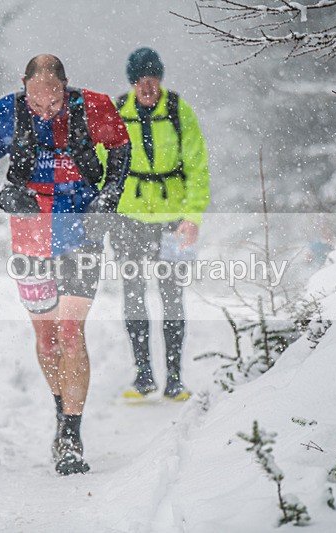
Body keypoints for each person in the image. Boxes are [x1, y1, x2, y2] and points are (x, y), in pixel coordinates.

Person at [0, 54, 131, 475]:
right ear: (24, 85)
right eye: (37, 104)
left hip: (81, 229)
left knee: (72, 334)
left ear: (66, 87)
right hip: (30, 233)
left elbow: (121, 150)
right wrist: (4, 196)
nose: (45, 111)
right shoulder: (4, 112)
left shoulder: (93, 107)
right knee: (47, 339)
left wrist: (108, 196)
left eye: (54, 104)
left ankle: (73, 437)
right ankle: (61, 412)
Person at [109, 47, 210, 402]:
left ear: (160, 78)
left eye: (152, 78)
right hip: (128, 221)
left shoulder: (179, 111)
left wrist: (192, 218)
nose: (146, 86)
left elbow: (197, 169)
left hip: (173, 222)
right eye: (139, 80)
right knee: (133, 295)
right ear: (132, 82)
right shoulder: (118, 112)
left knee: (172, 296)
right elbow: (104, 165)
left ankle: (175, 379)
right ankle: (143, 377)